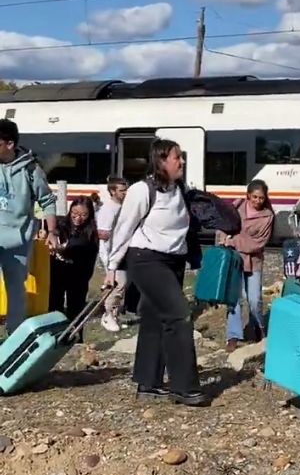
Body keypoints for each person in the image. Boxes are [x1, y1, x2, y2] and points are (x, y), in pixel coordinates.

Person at [105, 139, 204, 406]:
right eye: (176, 158)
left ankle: (148, 383)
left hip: (173, 261)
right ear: (161, 161)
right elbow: (124, 228)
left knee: (153, 319)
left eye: (182, 157)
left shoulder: (178, 190)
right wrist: (112, 267)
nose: (181, 161)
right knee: (179, 315)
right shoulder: (141, 190)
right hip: (146, 259)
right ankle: (184, 387)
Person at [0, 118, 58, 333]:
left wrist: (52, 232)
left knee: (16, 290)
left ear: (9, 144)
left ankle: (15, 337)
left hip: (18, 240)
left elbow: (47, 201)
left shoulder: (30, 170)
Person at [224, 180, 274, 352]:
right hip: (234, 259)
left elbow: (259, 242)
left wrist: (233, 241)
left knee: (254, 299)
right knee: (234, 298)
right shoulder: (236, 207)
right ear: (248, 196)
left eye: (261, 198)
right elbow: (223, 227)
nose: (257, 201)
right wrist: (223, 240)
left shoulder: (268, 216)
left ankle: (258, 327)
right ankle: (233, 335)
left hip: (254, 261)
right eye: (254, 197)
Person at [49, 197, 98, 339]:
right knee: (54, 305)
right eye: (74, 213)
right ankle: (55, 335)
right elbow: (49, 232)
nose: (78, 218)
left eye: (84, 215)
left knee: (75, 308)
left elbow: (80, 248)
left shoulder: (90, 233)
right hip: (57, 272)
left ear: (90, 215)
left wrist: (62, 248)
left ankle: (76, 337)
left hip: (78, 276)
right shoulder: (61, 225)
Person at [97, 176, 129, 333]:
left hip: (122, 251)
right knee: (118, 284)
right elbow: (102, 233)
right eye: (122, 190)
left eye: (126, 190)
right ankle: (107, 314)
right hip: (111, 254)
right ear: (112, 191)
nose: (125, 193)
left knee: (122, 284)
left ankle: (115, 314)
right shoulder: (108, 209)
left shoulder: (123, 207)